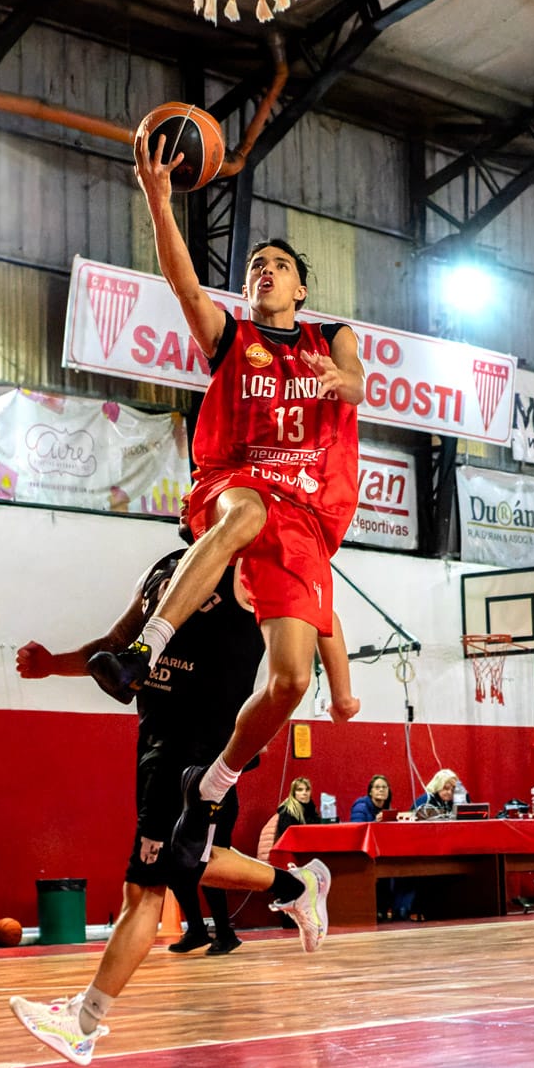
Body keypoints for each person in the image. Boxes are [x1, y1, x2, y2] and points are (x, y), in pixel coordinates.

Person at [89, 130, 363, 874]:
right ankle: (148, 647)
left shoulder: (329, 336)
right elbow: (181, 283)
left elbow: (355, 376)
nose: (263, 271)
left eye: (277, 265)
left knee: (289, 680)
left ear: (300, 287)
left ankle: (210, 785)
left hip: (307, 515)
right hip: (238, 482)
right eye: (254, 266)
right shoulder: (230, 336)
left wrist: (343, 384)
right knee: (242, 512)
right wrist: (157, 198)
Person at [9, 548, 346, 1066]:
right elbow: (116, 644)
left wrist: (342, 693)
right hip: (154, 737)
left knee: (144, 886)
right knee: (193, 861)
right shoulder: (166, 566)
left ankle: (83, 1021)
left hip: (200, 751)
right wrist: (54, 665)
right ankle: (298, 885)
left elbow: (321, 615)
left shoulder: (250, 564)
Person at [350, 775, 413, 920]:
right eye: (377, 787)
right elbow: (356, 830)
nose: (381, 790)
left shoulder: (387, 809)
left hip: (382, 852)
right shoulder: (361, 806)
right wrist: (374, 822)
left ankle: (399, 909)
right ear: (370, 792)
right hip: (364, 854)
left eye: (384, 787)